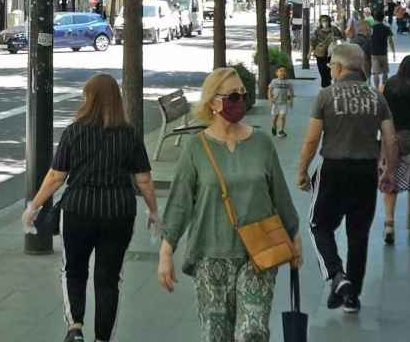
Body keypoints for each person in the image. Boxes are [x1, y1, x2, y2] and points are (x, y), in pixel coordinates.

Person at [158, 68, 301, 342]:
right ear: (212, 102)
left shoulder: (261, 143)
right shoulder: (196, 148)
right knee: (216, 335)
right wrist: (166, 253)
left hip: (258, 254)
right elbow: (179, 203)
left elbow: (280, 194)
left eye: (243, 95)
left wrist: (295, 237)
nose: (240, 101)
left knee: (252, 332)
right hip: (210, 255)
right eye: (233, 96)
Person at [23, 74, 159, 342]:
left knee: (73, 270)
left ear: (90, 99)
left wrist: (34, 206)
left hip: (78, 210)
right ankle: (102, 338)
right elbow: (143, 179)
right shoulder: (129, 134)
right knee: (109, 279)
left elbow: (55, 177)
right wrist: (154, 211)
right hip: (118, 212)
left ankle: (75, 328)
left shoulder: (74, 131)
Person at [296, 43, 397, 313]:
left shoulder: (326, 96)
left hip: (334, 170)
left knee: (318, 224)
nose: (330, 70)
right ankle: (352, 298)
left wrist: (302, 170)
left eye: (331, 66)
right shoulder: (377, 98)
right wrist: (389, 171)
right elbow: (390, 139)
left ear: (339, 68)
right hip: (365, 172)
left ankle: (336, 275)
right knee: (358, 235)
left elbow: (312, 139)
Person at [378, 55, 410, 245]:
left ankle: (389, 224)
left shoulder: (388, 86)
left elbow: (380, 112)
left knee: (390, 179)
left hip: (391, 139)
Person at [311, 14, 344, 88]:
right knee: (322, 71)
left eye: (326, 20)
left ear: (329, 21)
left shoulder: (334, 29)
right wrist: (309, 53)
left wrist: (337, 41)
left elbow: (341, 38)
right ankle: (326, 86)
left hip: (332, 54)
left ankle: (327, 87)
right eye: (322, 21)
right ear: (320, 22)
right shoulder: (317, 31)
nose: (324, 22)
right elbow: (313, 42)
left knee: (329, 72)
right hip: (320, 55)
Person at [369, 17, 396, 88]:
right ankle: (384, 87)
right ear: (383, 18)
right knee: (385, 72)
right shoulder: (387, 28)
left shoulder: (371, 28)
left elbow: (368, 39)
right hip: (383, 53)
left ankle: (377, 89)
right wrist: (393, 52)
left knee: (375, 73)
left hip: (374, 53)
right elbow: (390, 41)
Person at [268, 66, 294, 138]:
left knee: (282, 117)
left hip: (284, 103)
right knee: (275, 117)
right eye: (280, 71)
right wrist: (270, 99)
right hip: (275, 103)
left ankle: (281, 131)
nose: (282, 72)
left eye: (284, 71)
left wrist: (291, 101)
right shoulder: (274, 81)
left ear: (286, 73)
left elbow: (291, 92)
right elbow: (270, 90)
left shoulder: (288, 82)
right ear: (277, 73)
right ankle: (274, 126)